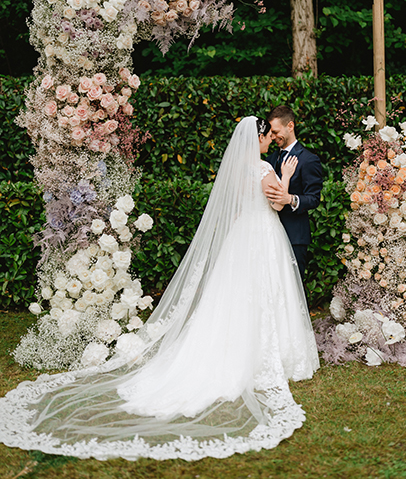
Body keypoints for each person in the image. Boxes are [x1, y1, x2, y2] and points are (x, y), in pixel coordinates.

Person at [0, 116, 319, 462]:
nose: (270, 140)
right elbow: (276, 204)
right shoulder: (262, 169)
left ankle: (232, 345)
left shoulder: (238, 169)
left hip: (240, 238)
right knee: (265, 295)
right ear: (256, 139)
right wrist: (286, 178)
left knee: (232, 297)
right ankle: (264, 352)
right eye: (266, 135)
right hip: (262, 237)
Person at [264, 105, 323, 280]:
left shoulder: (308, 159)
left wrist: (290, 199)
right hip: (268, 233)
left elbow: (313, 199)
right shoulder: (269, 159)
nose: (273, 137)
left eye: (275, 131)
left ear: (290, 126)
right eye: (270, 133)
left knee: (293, 287)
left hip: (294, 236)